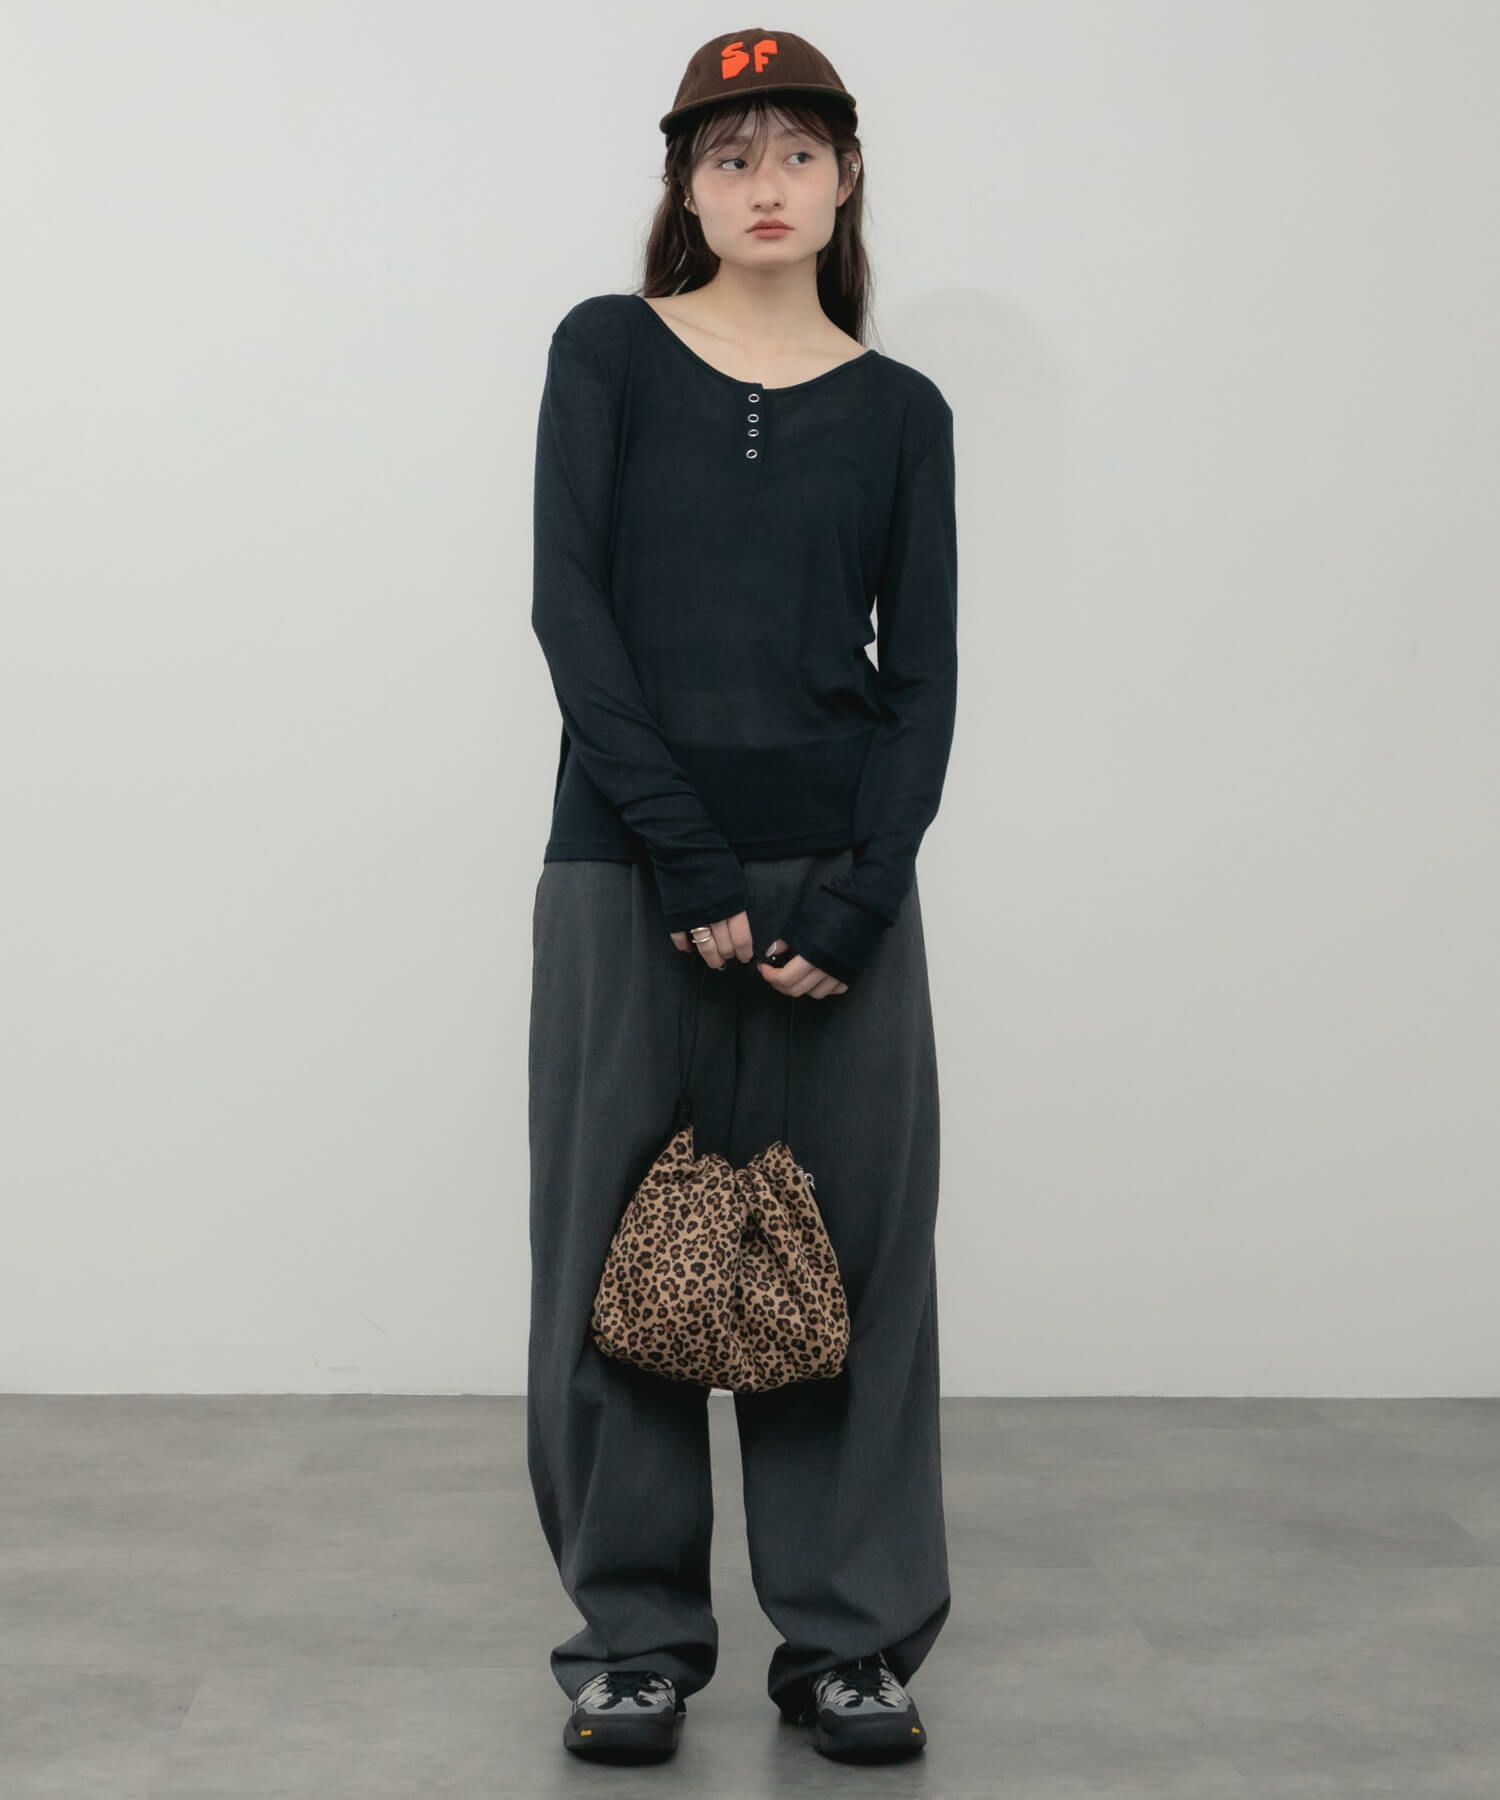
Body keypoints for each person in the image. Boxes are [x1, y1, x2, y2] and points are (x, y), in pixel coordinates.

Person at [526, 27, 958, 1767]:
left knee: (855, 1261)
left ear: (845, 178)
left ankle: (850, 1642)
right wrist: (684, 854)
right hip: (626, 867)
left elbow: (923, 684)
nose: (763, 183)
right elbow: (571, 611)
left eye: (794, 152)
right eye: (728, 155)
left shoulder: (903, 412)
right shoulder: (608, 352)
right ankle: (633, 1642)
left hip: (839, 881)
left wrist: (860, 903)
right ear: (684, 187)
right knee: (605, 1251)